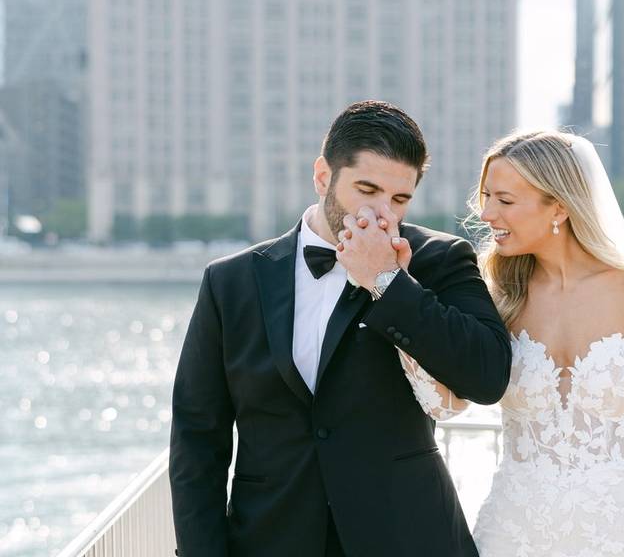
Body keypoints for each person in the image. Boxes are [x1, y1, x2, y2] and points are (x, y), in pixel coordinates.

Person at [168, 100, 512, 557]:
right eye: (366, 189)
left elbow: (488, 377)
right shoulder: (230, 282)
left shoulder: (439, 260)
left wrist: (388, 282)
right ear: (323, 176)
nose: (382, 213)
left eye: (399, 199)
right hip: (270, 540)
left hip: (407, 538)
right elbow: (197, 439)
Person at [408, 129, 624, 556]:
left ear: (559, 207)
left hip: (619, 534)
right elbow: (447, 405)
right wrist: (394, 303)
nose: (487, 213)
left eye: (505, 200)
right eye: (487, 196)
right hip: (514, 532)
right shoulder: (494, 296)